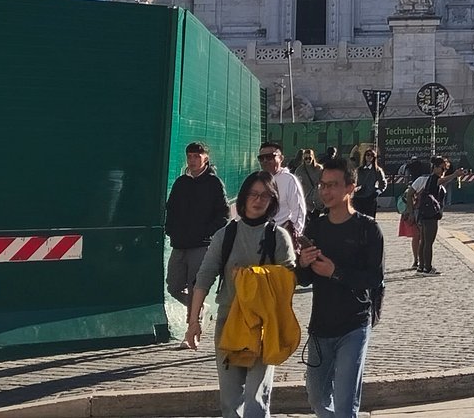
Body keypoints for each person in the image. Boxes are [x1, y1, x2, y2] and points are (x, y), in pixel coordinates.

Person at [185, 172, 297, 418]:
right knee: (230, 401)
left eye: (265, 195)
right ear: (243, 198)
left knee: (256, 401)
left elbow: (289, 281)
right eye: (253, 194)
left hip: (263, 325)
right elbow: (203, 278)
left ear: (273, 200)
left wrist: (253, 277)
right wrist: (194, 322)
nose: (258, 200)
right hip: (228, 323)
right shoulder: (225, 235)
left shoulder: (278, 237)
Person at [298, 157, 385, 418]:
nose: (325, 191)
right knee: (316, 397)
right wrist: (302, 263)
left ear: (351, 187)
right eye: (323, 185)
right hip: (320, 326)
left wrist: (336, 272)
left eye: (333, 185)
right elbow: (303, 279)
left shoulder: (368, 229)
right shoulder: (316, 227)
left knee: (346, 403)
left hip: (354, 325)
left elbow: (374, 279)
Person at [165, 141, 229, 320]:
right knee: (173, 286)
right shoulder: (181, 182)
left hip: (201, 245)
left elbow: (224, 214)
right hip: (179, 244)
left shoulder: (214, 183)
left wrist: (207, 234)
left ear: (206, 158)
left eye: (197, 156)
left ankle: (192, 329)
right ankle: (199, 308)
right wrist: (171, 230)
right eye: (189, 156)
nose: (192, 160)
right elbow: (171, 208)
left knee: (195, 287)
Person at [411, 157, 457, 273]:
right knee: (428, 242)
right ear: (435, 168)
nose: (443, 170)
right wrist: (454, 175)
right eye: (442, 168)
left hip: (425, 212)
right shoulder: (434, 178)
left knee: (424, 240)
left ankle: (421, 266)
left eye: (445, 168)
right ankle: (428, 267)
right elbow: (440, 181)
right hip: (430, 213)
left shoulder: (431, 178)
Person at [258, 141, 308, 243]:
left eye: (269, 157)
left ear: (281, 158)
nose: (265, 161)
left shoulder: (289, 180)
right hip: (260, 238)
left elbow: (298, 212)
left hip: (282, 238)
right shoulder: (258, 180)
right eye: (261, 158)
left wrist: (292, 237)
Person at [352, 149, 387, 219]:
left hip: (370, 198)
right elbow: (354, 182)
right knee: (357, 220)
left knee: (369, 220)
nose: (369, 157)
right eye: (367, 155)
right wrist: (355, 189)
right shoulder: (359, 170)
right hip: (358, 198)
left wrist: (376, 193)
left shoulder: (377, 170)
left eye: (372, 155)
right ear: (364, 156)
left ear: (374, 158)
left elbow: (383, 184)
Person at [295, 149, 325, 214]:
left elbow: (324, 182)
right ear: (303, 158)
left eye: (310, 158)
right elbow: (296, 186)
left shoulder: (319, 168)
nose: (308, 160)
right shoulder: (300, 170)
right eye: (306, 158)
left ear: (313, 157)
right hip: (306, 200)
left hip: (318, 199)